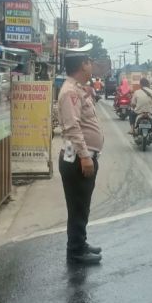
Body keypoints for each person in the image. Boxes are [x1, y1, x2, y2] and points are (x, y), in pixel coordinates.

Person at [57, 45, 105, 265]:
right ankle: (75, 251)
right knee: (77, 205)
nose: (91, 64)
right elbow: (72, 127)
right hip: (77, 158)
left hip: (82, 157)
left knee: (82, 205)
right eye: (88, 61)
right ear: (81, 65)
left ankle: (80, 243)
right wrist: (85, 156)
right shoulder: (70, 92)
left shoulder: (79, 89)